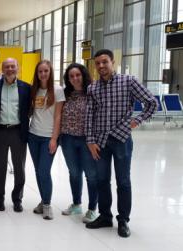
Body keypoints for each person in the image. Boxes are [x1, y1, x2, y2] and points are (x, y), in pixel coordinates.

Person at [85, 49, 157, 238]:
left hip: (122, 140)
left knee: (123, 181)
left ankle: (123, 220)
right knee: (102, 180)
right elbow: (89, 116)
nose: (101, 66)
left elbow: (152, 103)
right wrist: (90, 141)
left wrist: (137, 120)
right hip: (100, 141)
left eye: (104, 62)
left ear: (113, 62)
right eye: (98, 63)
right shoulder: (92, 88)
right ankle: (105, 216)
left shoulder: (128, 81)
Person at [0, 58, 31, 212]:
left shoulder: (26, 88)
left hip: (18, 132)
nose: (10, 69)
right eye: (7, 67)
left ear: (17, 68)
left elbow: (30, 109)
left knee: (19, 168)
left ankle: (17, 199)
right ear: (2, 69)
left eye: (13, 66)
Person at [59, 63, 98, 223]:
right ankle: (76, 204)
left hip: (87, 140)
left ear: (83, 75)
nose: (75, 78)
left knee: (91, 174)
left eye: (77, 75)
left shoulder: (93, 92)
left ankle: (92, 209)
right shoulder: (66, 94)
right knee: (74, 173)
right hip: (67, 138)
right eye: (71, 76)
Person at [28, 60, 65, 220]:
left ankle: (48, 205)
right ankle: (43, 201)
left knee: (44, 171)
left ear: (51, 72)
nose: (43, 74)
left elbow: (58, 116)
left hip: (48, 138)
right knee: (38, 171)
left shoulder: (58, 90)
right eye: (40, 71)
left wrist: (54, 139)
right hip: (33, 135)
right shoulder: (34, 90)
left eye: (46, 71)